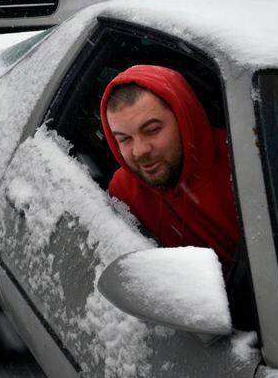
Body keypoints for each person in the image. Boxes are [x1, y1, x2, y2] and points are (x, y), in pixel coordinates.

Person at [100, 65, 241, 265]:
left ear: (184, 118)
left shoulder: (246, 160)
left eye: (152, 130)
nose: (139, 151)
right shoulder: (125, 192)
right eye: (124, 139)